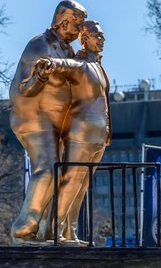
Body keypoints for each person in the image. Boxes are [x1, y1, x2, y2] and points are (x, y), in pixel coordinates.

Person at [9, 0, 87, 243]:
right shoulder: (39, 45)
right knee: (47, 169)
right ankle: (23, 230)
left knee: (63, 173)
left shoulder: (68, 50)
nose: (81, 30)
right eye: (78, 24)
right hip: (35, 119)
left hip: (59, 123)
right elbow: (21, 90)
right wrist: (40, 77)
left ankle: (49, 231)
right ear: (64, 22)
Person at [34, 20, 111, 241]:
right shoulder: (81, 64)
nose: (102, 40)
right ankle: (53, 229)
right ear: (84, 40)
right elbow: (66, 65)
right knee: (72, 180)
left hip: (100, 136)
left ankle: (70, 230)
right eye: (97, 36)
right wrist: (50, 64)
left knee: (82, 185)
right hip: (82, 133)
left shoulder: (98, 65)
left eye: (103, 36)